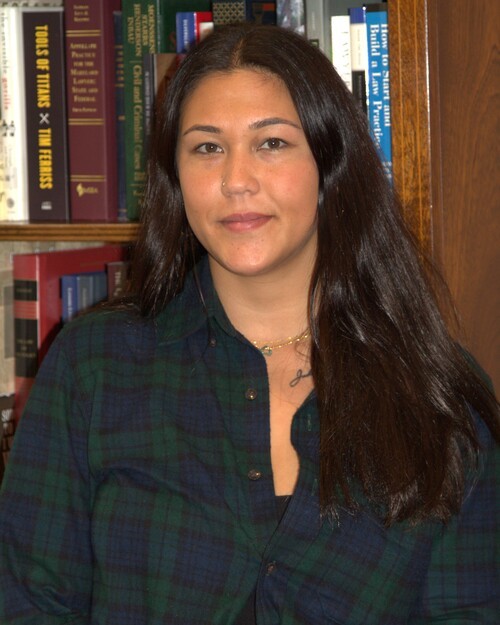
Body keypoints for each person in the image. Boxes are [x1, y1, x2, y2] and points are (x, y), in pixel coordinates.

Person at [0, 23, 498, 625]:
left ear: (331, 165)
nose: (236, 180)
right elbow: (29, 603)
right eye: (207, 148)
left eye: (272, 143)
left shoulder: (439, 397)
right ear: (176, 177)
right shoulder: (94, 366)